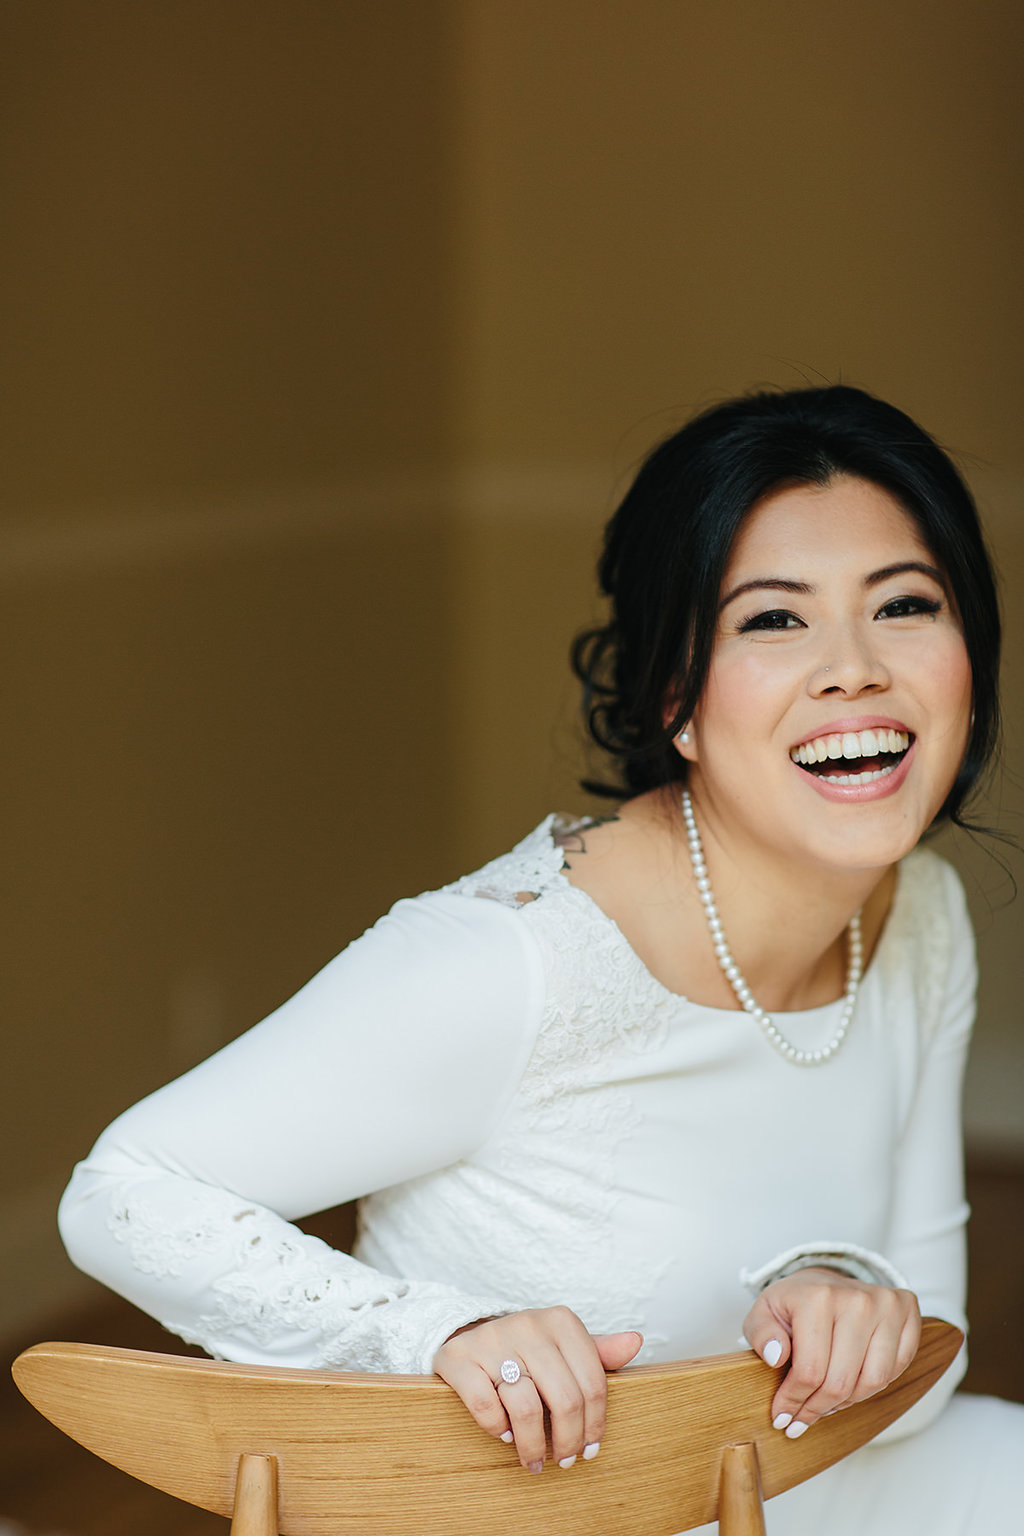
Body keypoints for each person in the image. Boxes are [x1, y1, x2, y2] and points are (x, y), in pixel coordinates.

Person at [59, 385, 1023, 1532]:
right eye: (774, 619)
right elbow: (124, 1193)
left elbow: (917, 1396)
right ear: (674, 694)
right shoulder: (513, 961)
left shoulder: (917, 916)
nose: (853, 668)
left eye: (904, 604)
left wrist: (847, 1300)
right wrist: (437, 1334)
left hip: (761, 1484)